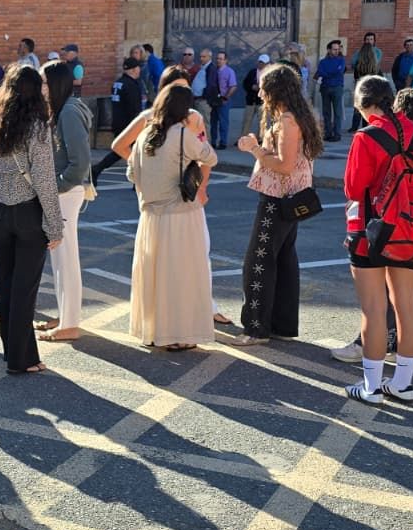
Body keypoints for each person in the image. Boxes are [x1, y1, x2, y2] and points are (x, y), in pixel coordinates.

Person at [342, 75, 413, 404]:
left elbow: (354, 190)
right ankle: (402, 383)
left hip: (372, 230)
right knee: (406, 305)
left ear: (365, 106)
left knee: (373, 308)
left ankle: (370, 387)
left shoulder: (367, 136)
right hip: (412, 228)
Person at [0, 65, 63, 374]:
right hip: (28, 212)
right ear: (36, 92)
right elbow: (45, 180)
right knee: (25, 288)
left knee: (7, 283)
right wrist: (55, 225)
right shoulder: (37, 127)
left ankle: (12, 351)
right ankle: (22, 359)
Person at [225, 65, 323, 346]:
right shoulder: (295, 117)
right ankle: (281, 324)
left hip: (278, 199)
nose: (259, 91)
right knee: (283, 259)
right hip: (288, 198)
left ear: (275, 91)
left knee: (258, 262)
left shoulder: (288, 121)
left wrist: (253, 149)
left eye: (263, 86)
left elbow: (285, 165)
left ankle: (256, 328)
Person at [125, 84, 218, 351]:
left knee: (154, 276)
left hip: (150, 216)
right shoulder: (182, 135)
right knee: (181, 275)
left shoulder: (145, 135)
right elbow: (211, 157)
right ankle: (180, 334)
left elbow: (132, 174)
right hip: (181, 214)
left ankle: (153, 331)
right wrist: (197, 133)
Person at [38, 61, 91, 343]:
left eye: (44, 83)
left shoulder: (68, 111)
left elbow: (80, 161)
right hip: (62, 192)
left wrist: (54, 187)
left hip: (66, 194)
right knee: (59, 258)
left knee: (66, 258)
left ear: (56, 84)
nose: (41, 88)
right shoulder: (62, 109)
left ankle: (70, 324)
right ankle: (64, 315)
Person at [92, 57, 146, 182]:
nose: (139, 70)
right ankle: (97, 169)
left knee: (121, 151)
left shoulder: (119, 82)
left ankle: (97, 169)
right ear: (133, 69)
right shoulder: (131, 85)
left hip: (118, 122)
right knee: (136, 152)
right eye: (138, 68)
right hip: (129, 124)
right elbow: (134, 109)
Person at [350, 32, 383, 131]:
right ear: (364, 41)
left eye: (371, 39)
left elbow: (375, 64)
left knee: (368, 104)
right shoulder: (358, 52)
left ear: (374, 41)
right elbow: (353, 64)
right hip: (361, 81)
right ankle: (355, 126)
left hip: (369, 81)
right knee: (358, 104)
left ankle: (366, 125)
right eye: (367, 39)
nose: (369, 41)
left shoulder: (377, 52)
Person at [205, 51, 236, 149]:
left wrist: (226, 97)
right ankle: (213, 142)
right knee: (213, 122)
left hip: (223, 100)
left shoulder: (229, 71)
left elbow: (233, 86)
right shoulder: (213, 70)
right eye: (217, 58)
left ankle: (223, 142)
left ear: (225, 60)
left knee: (223, 122)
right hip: (213, 100)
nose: (218, 60)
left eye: (221, 59)